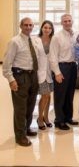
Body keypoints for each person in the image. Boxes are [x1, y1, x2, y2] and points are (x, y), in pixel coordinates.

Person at [2, 17, 39, 146]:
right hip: (20, 76)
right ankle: (20, 136)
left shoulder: (33, 40)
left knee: (31, 105)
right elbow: (6, 64)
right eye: (26, 25)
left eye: (31, 25)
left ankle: (27, 128)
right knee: (20, 108)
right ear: (21, 26)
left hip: (33, 76)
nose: (28, 27)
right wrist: (11, 80)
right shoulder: (14, 42)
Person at [49, 14, 78, 130]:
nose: (67, 23)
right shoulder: (57, 37)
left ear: (72, 22)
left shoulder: (74, 35)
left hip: (72, 67)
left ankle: (68, 117)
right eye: (65, 21)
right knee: (60, 95)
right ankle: (59, 120)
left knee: (70, 94)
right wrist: (57, 73)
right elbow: (52, 57)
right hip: (62, 68)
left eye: (69, 21)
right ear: (61, 23)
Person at [33, 20, 55, 130]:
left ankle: (46, 117)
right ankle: (40, 118)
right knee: (45, 95)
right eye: (45, 27)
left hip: (50, 72)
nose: (47, 30)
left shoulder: (54, 40)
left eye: (49, 28)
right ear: (41, 28)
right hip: (39, 71)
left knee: (49, 95)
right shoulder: (35, 40)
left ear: (52, 30)